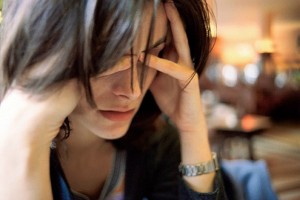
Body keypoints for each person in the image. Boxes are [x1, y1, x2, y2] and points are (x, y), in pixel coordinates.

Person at [0, 0, 227, 199]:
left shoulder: (156, 143)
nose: (133, 90)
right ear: (48, 47)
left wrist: (192, 129)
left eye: (152, 56)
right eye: (108, 58)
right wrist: (23, 141)